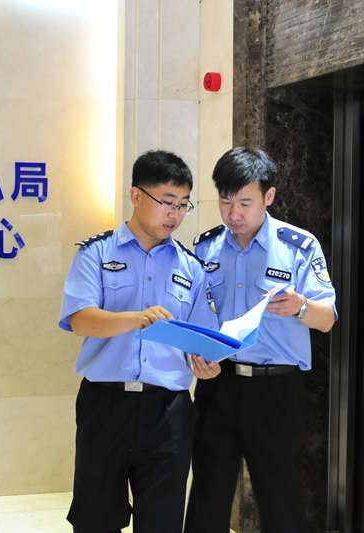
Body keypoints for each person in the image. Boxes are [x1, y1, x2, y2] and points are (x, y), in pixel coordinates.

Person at [59, 150, 220, 533]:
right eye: (167, 202)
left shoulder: (191, 268)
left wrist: (208, 365)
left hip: (169, 411)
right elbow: (80, 319)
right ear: (136, 195)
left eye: (183, 205)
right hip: (105, 404)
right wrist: (136, 318)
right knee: (96, 519)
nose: (175, 214)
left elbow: (203, 338)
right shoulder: (96, 253)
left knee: (162, 521)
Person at [184, 147, 337, 533]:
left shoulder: (298, 246)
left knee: (280, 497)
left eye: (245, 203)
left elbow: (327, 319)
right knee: (207, 495)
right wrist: (196, 356)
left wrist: (301, 306)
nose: (233, 214)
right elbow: (194, 316)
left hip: (275, 391)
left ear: (268, 196)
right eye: (225, 201)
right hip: (218, 386)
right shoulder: (206, 247)